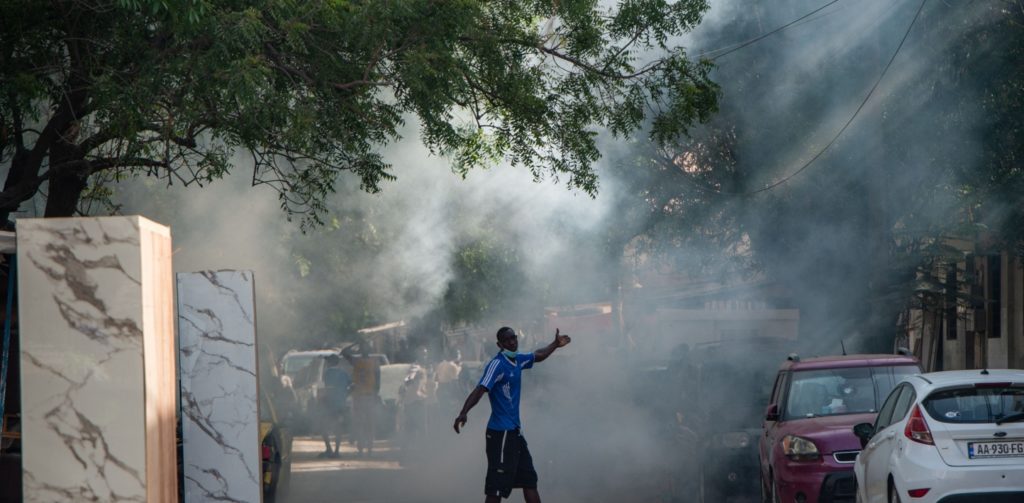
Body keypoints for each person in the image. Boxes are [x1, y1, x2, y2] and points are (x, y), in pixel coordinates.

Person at [453, 327, 571, 503]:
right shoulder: (497, 364)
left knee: (529, 480)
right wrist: (463, 412)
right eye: (507, 340)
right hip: (500, 433)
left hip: (515, 432)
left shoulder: (518, 359)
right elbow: (480, 389)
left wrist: (555, 344)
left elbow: (538, 355)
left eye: (513, 338)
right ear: (499, 344)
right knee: (496, 487)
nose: (512, 342)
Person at [343, 341, 381, 456]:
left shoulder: (373, 362)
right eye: (362, 348)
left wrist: (376, 394)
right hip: (359, 396)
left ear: (369, 350)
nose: (364, 350)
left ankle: (369, 447)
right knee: (361, 423)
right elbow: (344, 352)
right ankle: (361, 447)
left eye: (365, 348)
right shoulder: (357, 361)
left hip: (368, 396)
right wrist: (355, 343)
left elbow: (378, 381)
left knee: (368, 423)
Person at [316, 354, 351, 458]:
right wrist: (345, 395)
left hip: (329, 405)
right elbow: (351, 385)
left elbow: (325, 388)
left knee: (324, 427)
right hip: (341, 405)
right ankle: (336, 451)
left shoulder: (328, 373)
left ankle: (329, 449)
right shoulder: (344, 373)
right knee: (338, 428)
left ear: (330, 362)